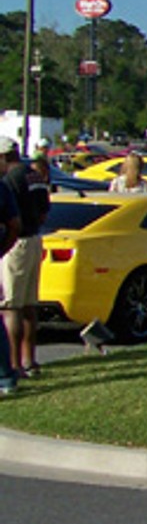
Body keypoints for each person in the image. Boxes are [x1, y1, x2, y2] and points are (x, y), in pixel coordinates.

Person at [0, 141, 40, 385]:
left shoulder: (9, 181)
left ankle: (13, 366)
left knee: (10, 308)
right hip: (35, 238)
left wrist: (5, 246)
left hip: (17, 242)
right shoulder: (32, 173)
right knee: (28, 306)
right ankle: (30, 360)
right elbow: (45, 208)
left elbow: (13, 221)